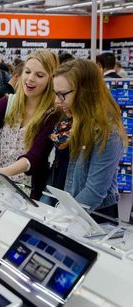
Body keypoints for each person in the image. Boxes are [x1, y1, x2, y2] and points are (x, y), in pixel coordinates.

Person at [0, 49, 60, 200]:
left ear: (51, 79)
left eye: (39, 75)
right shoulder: (7, 103)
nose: (30, 79)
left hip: (30, 195)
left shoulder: (52, 114)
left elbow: (34, 157)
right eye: (27, 72)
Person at [53, 59, 127, 221]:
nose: (57, 101)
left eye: (62, 95)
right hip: (74, 212)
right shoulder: (75, 120)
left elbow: (94, 191)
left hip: (95, 219)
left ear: (84, 91)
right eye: (55, 94)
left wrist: (63, 219)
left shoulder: (107, 131)